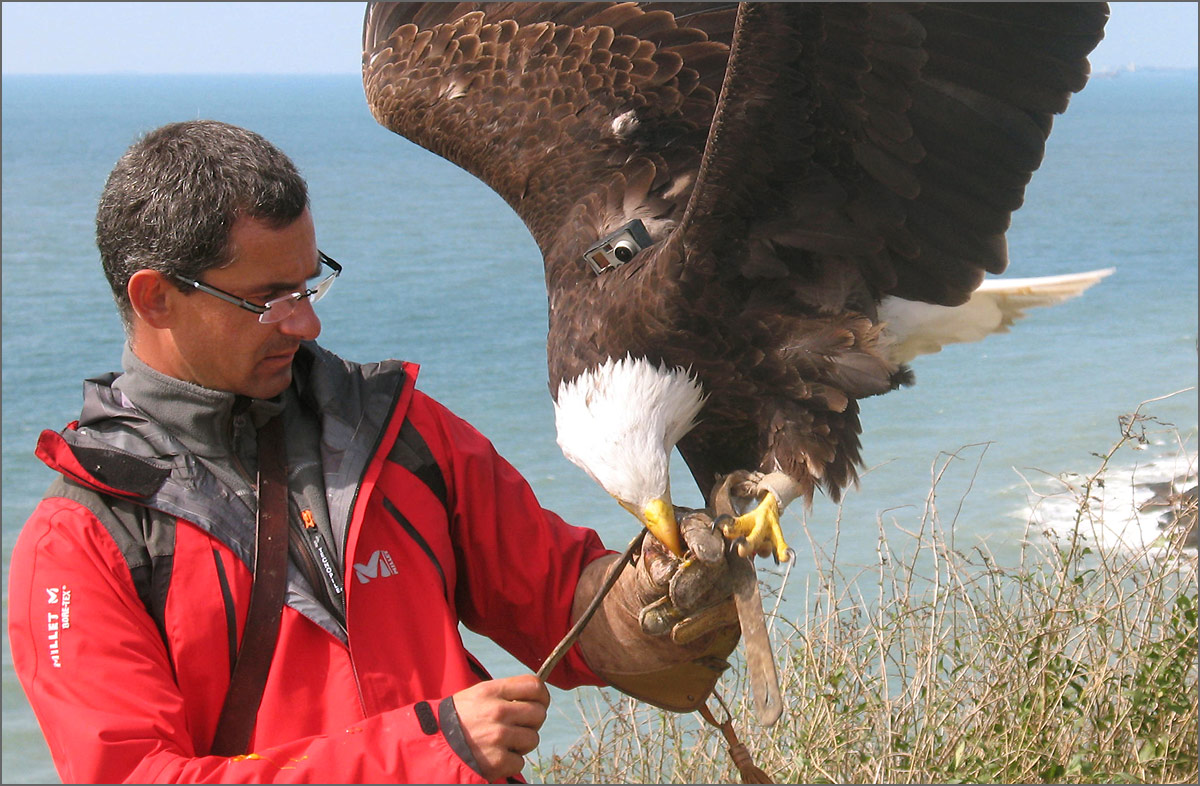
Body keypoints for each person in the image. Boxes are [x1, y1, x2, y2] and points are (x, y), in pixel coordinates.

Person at [7, 120, 740, 783]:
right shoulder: (83, 540)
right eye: (269, 299)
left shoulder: (399, 430)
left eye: (309, 285)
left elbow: (558, 597)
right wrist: (429, 752)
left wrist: (658, 595)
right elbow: (133, 778)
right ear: (156, 298)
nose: (305, 325)